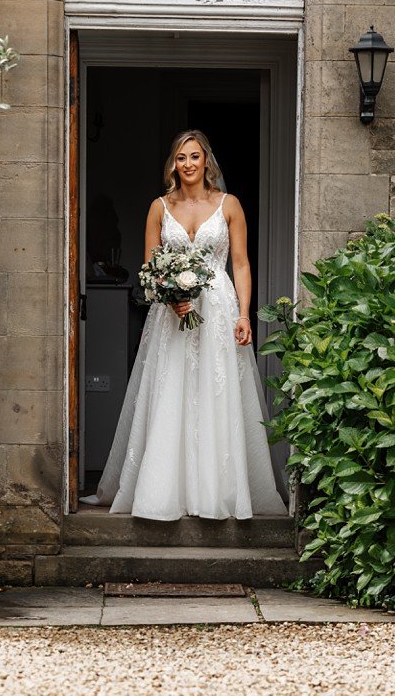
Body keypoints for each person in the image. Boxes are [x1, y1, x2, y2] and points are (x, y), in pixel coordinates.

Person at [80, 130, 288, 520]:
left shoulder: (229, 205)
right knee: (169, 392)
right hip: (170, 316)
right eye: (181, 158)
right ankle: (163, 491)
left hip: (218, 311)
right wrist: (171, 296)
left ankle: (215, 491)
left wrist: (244, 314)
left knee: (214, 392)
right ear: (173, 165)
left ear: (206, 161)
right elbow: (149, 268)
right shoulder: (159, 207)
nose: (188, 164)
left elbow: (240, 264)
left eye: (194, 156)